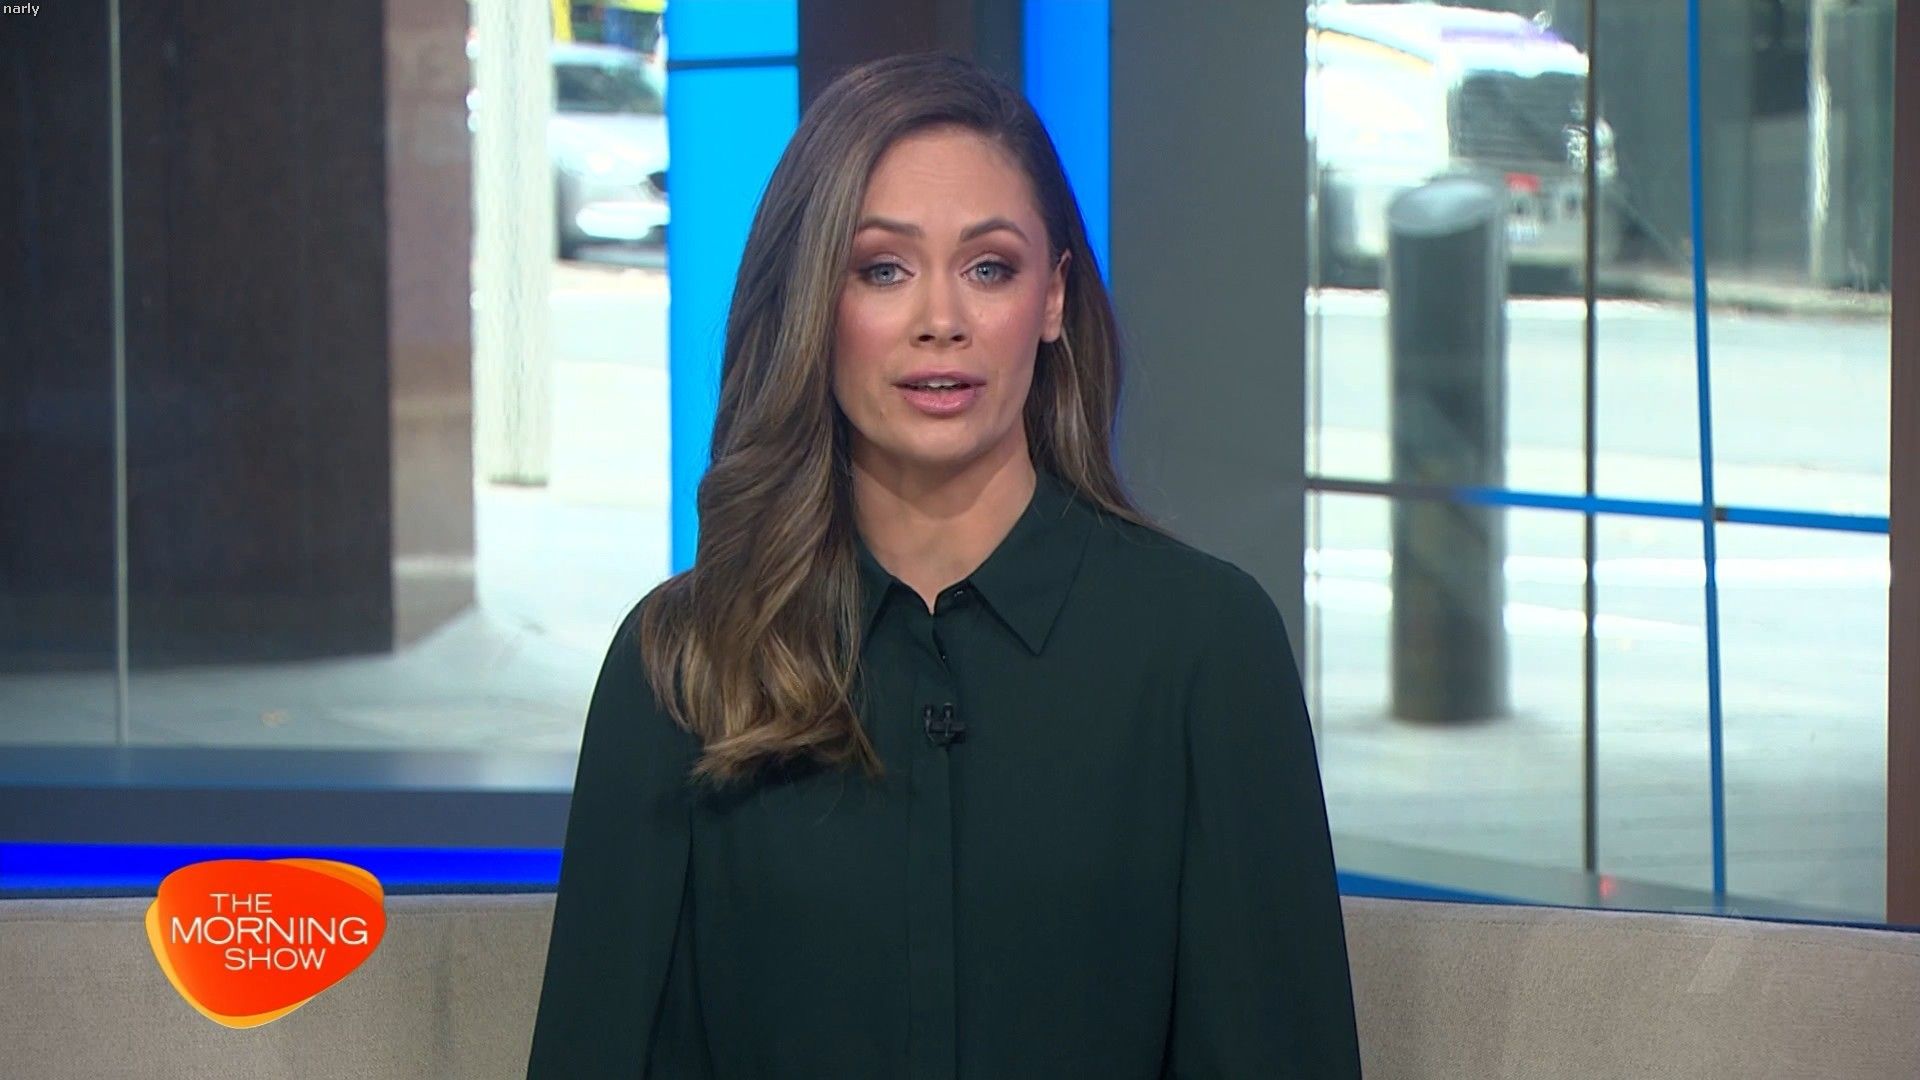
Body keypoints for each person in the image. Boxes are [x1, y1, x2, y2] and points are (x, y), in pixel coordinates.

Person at [526, 52, 1362, 1079]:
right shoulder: (685, 664)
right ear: (813, 302)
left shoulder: (1205, 648)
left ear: (1052, 298)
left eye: (989, 268)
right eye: (882, 269)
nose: (941, 320)